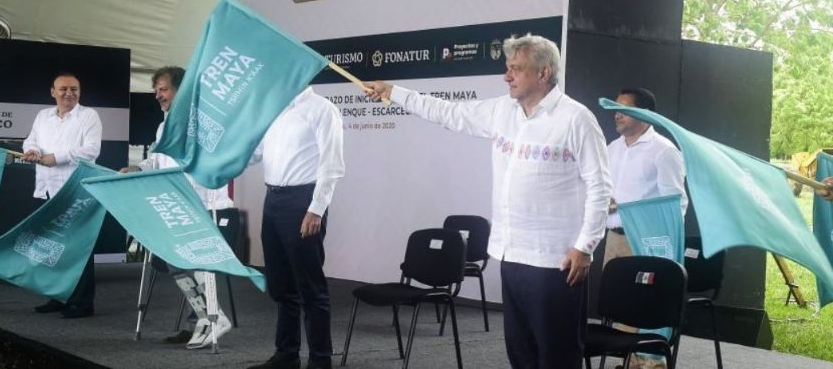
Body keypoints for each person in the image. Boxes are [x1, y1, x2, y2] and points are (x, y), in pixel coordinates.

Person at [365, 34, 612, 369]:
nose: (507, 76)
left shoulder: (576, 119)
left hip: (555, 261)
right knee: (520, 351)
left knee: (557, 354)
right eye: (507, 68)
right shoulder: (501, 110)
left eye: (517, 69)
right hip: (511, 254)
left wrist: (585, 247)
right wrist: (394, 93)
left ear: (544, 73)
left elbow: (600, 187)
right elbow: (447, 112)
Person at [120, 65, 234, 349]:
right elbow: (157, 159)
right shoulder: (165, 124)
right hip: (176, 206)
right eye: (156, 90)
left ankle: (212, 318)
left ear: (180, 90)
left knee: (190, 262)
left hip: (205, 204)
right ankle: (202, 318)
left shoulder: (203, 119)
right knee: (175, 262)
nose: (159, 95)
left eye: (164, 89)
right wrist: (138, 167)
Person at [247, 87, 344, 369]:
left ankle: (320, 360)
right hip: (273, 199)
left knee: (310, 286)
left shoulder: (322, 109)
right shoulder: (275, 109)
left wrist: (316, 209)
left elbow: (332, 164)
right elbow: (256, 154)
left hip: (303, 201)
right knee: (281, 285)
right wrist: (225, 155)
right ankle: (287, 355)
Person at [21, 72, 102, 318]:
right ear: (52, 92)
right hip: (47, 188)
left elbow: (91, 151)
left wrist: (55, 158)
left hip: (75, 189)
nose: (69, 93)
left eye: (74, 89)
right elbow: (29, 140)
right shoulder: (43, 116)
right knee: (52, 245)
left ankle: (83, 303)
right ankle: (58, 296)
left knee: (78, 247)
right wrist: (32, 150)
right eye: (64, 89)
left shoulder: (89, 116)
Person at [604, 87, 687, 265]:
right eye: (615, 109)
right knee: (611, 293)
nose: (617, 115)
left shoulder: (664, 151)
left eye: (624, 110)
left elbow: (676, 206)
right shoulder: (612, 148)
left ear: (645, 113)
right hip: (612, 239)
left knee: (640, 294)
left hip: (644, 241)